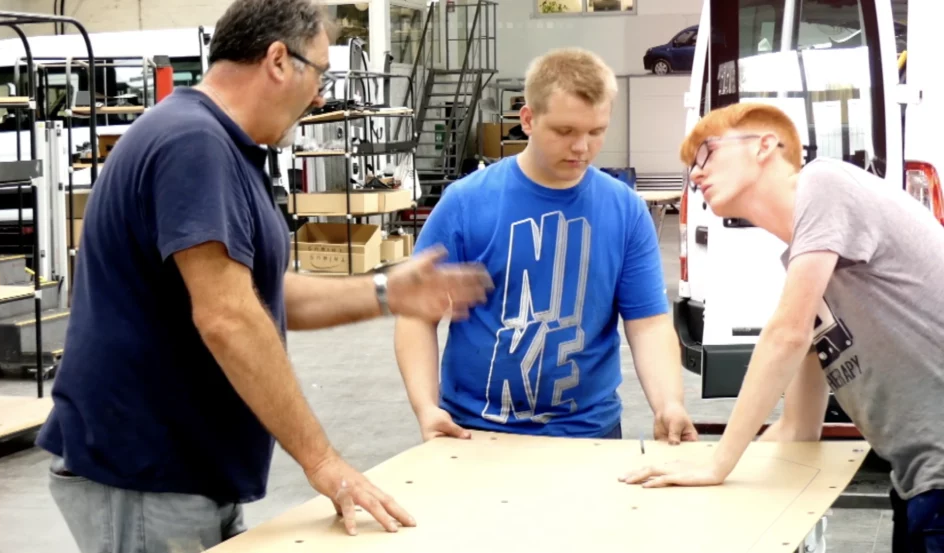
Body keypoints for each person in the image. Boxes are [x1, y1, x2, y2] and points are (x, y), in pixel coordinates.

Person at [36, 0, 494, 550]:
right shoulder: (194, 144)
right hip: (145, 474)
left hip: (182, 473)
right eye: (320, 72)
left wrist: (387, 290)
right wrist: (323, 461)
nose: (322, 94)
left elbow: (260, 297)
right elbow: (228, 317)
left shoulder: (221, 146)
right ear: (279, 60)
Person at [618, 102, 944, 552]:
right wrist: (705, 488)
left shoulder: (825, 183)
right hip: (919, 483)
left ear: (765, 146)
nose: (695, 174)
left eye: (706, 153)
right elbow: (798, 429)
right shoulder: (811, 265)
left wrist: (719, 464)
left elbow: (786, 336)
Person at [393, 48, 698, 445]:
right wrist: (426, 407)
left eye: (596, 131)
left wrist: (669, 404)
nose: (582, 148)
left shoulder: (625, 211)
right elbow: (416, 314)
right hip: (472, 433)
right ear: (528, 119)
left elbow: (648, 324)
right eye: (565, 131)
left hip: (590, 434)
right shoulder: (466, 203)